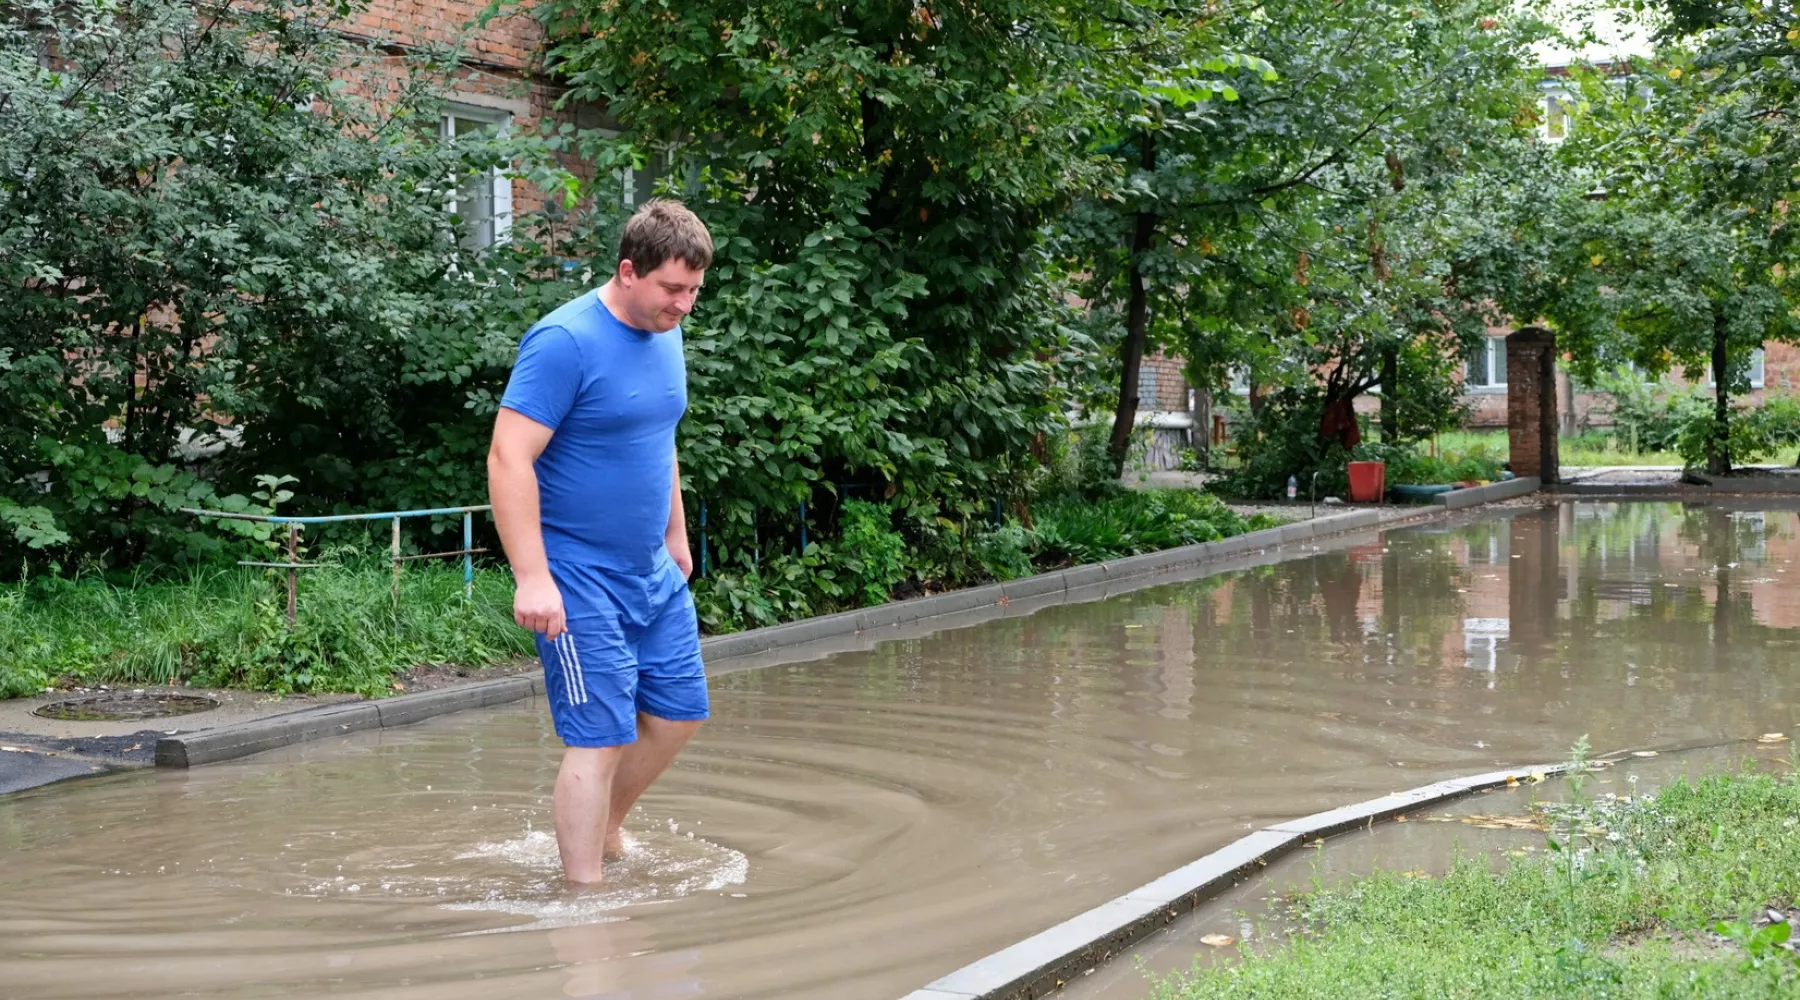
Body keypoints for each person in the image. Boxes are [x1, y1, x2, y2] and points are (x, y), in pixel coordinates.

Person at [487, 198, 713, 884]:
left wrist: (675, 532)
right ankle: (582, 897)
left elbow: (659, 434)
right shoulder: (565, 342)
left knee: (679, 714)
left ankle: (603, 824)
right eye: (672, 289)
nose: (684, 306)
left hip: (650, 568)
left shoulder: (665, 331)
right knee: (602, 733)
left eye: (694, 292)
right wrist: (533, 576)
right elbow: (507, 455)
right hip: (578, 573)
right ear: (627, 270)